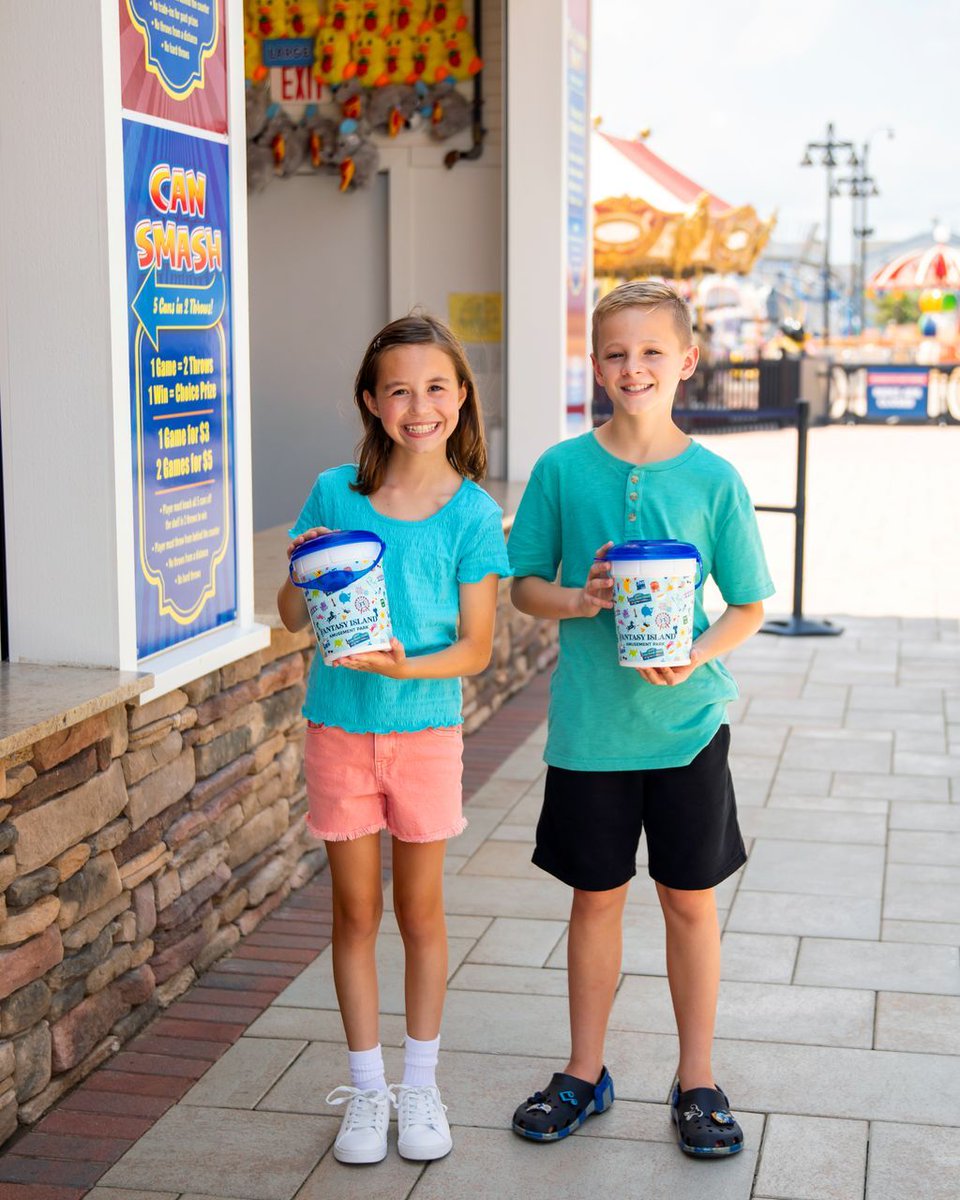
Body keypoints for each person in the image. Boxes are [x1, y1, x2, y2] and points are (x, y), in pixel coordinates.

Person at [507, 280, 774, 1157]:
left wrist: (696, 653)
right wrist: (578, 599)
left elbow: (748, 605)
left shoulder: (713, 479)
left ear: (686, 361)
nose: (633, 368)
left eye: (652, 352)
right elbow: (524, 586)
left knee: (689, 902)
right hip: (591, 730)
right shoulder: (560, 469)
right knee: (596, 899)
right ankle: (585, 1071)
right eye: (616, 353)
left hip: (689, 726)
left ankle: (697, 1079)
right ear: (596, 363)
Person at [277, 314, 510, 1166]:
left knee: (419, 913)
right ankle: (367, 1094)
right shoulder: (334, 492)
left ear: (461, 398)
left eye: (437, 388)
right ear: (372, 403)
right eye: (400, 390)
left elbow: (477, 650)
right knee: (355, 912)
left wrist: (402, 671)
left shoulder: (475, 515)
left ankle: (421, 1087)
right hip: (339, 731)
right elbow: (291, 615)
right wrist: (300, 569)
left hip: (424, 736)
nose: (420, 406)